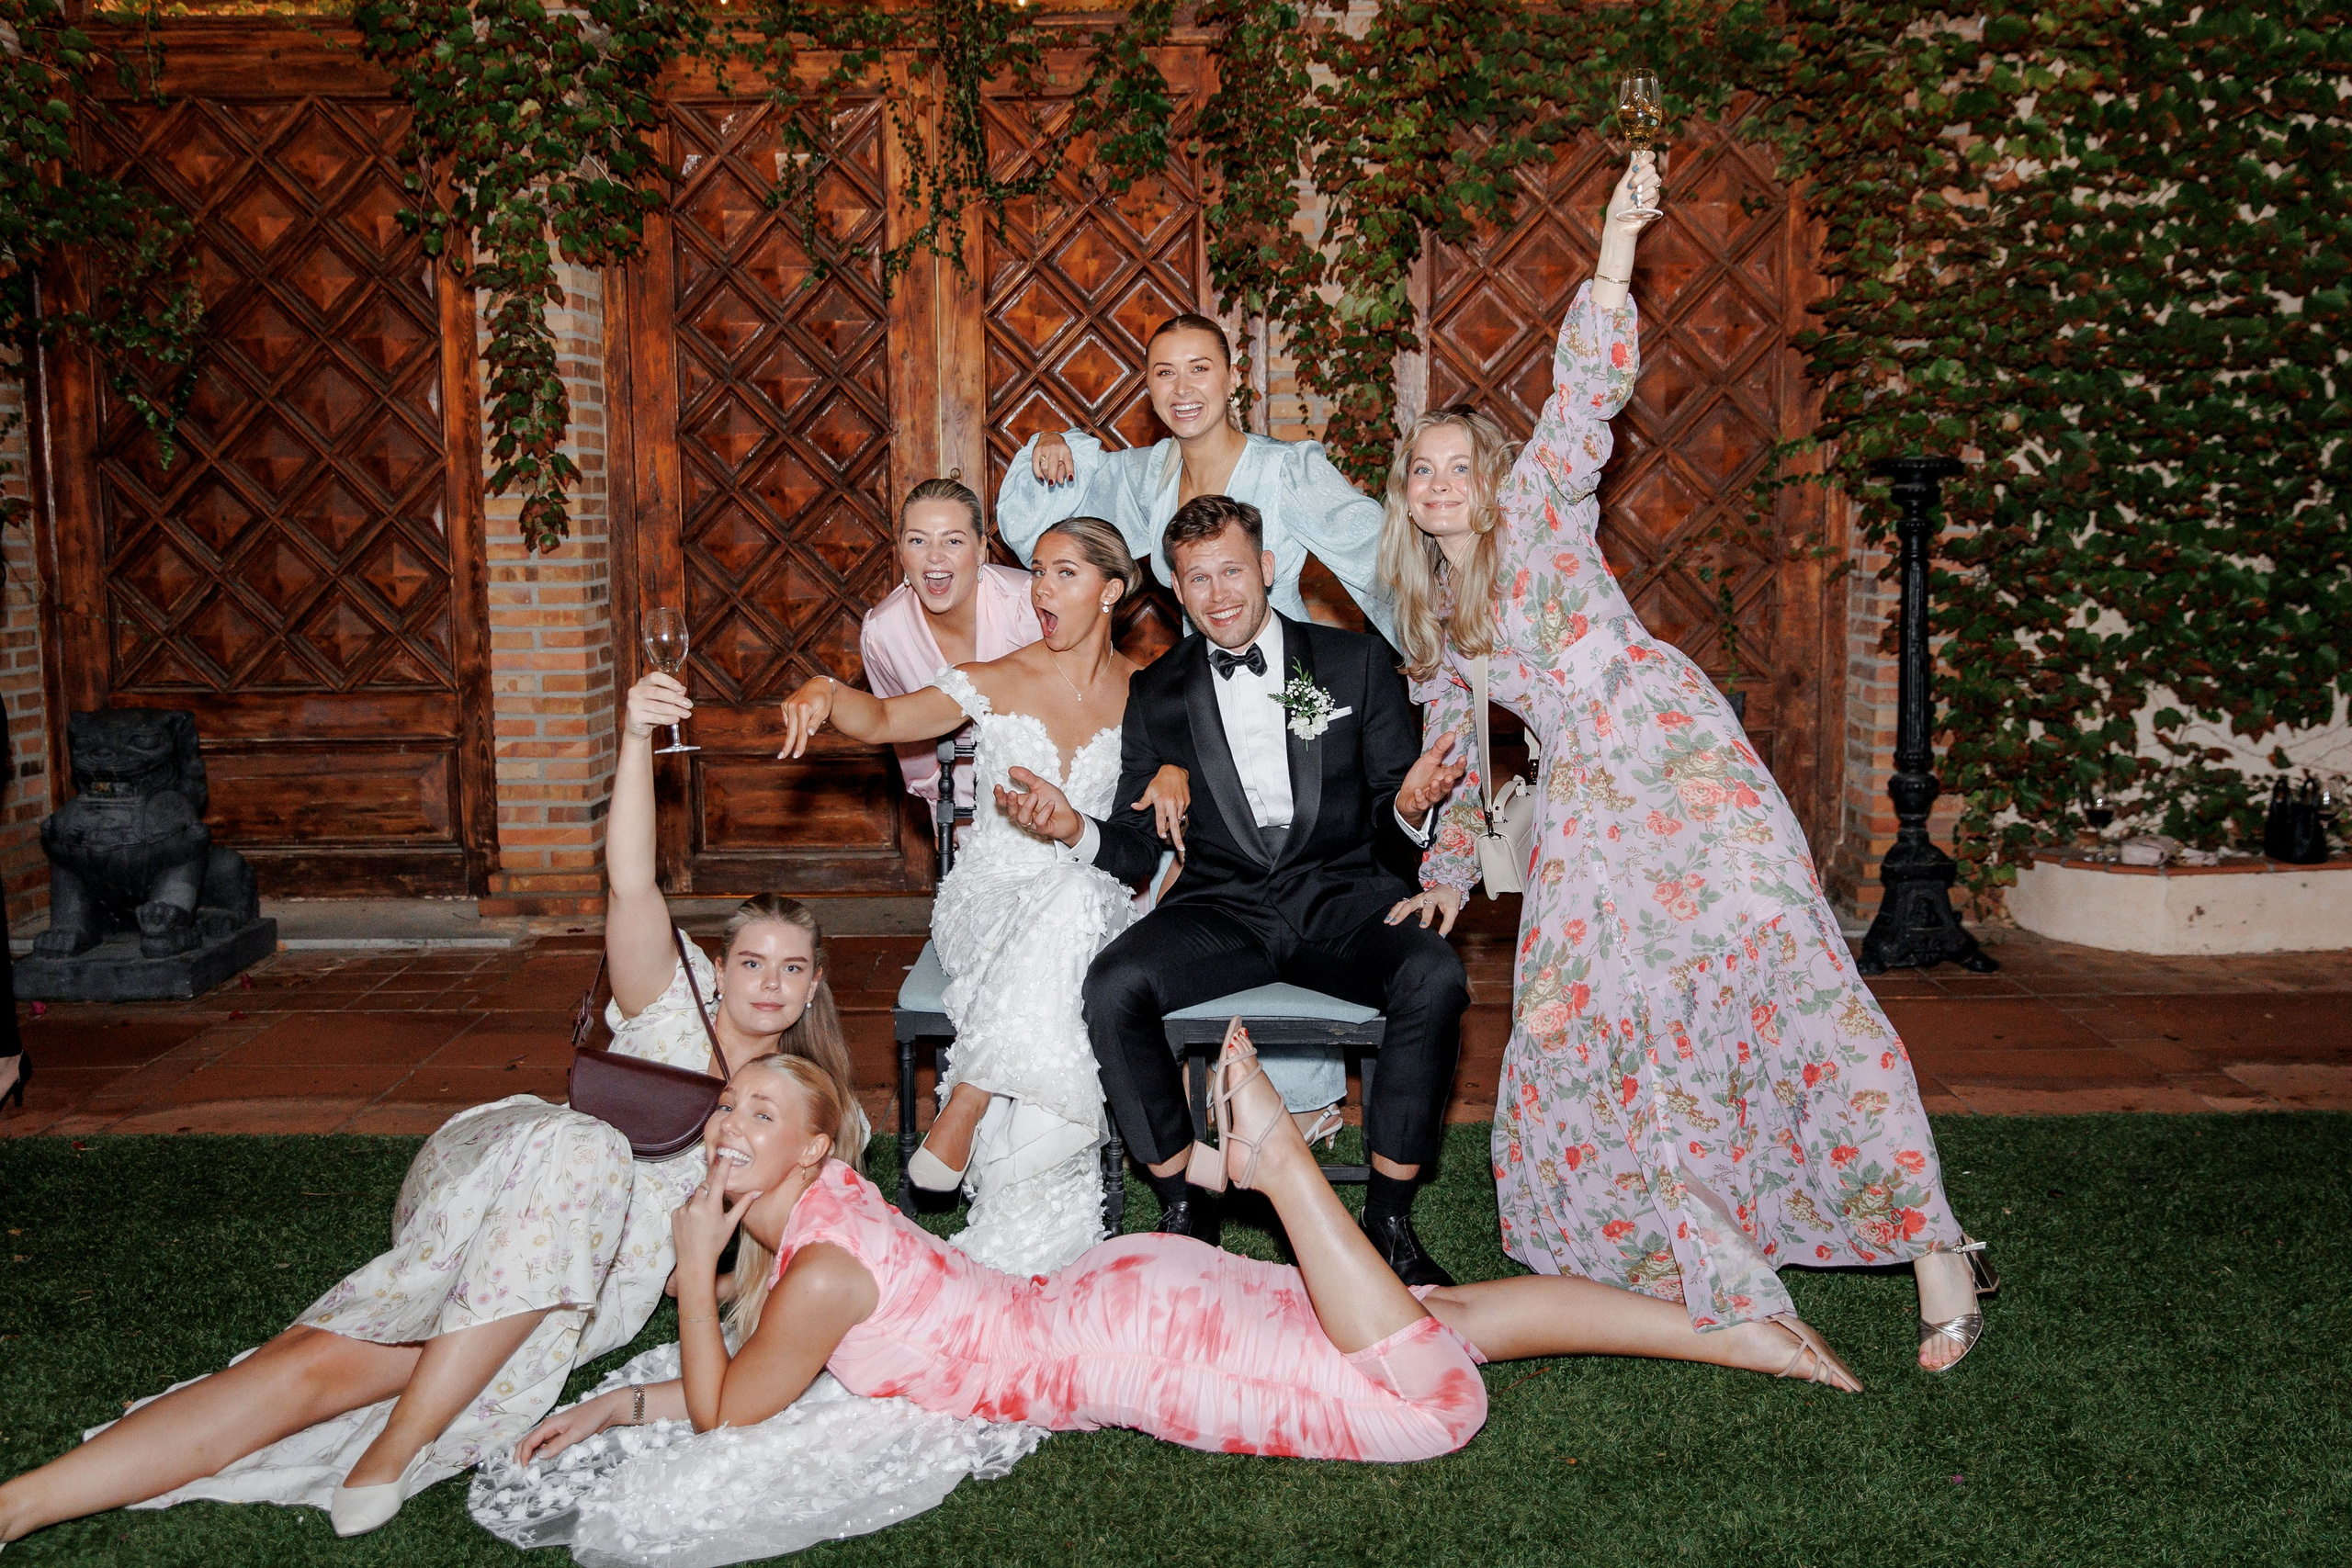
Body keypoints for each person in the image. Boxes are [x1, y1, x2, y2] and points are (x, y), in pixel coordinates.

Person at [0, 677, 866, 1550]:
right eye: (753, 961)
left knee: (306, 1371)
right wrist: (636, 736)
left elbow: (790, 1259)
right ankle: (396, 1449)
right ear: (719, 965)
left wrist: (696, 1276)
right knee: (591, 1148)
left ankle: (18, 1503)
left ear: (815, 985)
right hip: (503, 1185)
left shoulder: (803, 1112)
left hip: (579, 1289)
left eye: (792, 969)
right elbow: (631, 876)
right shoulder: (667, 1001)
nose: (769, 983)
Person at [1384, 154, 1998, 1371]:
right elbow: (1452, 766)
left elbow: (1584, 393)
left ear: (1494, 480)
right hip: (1587, 821)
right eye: (1423, 466)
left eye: (1461, 462)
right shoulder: (1436, 628)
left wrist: (1616, 244)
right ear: (1407, 496)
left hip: (1681, 767)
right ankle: (1678, 1259)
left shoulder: (1548, 513)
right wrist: (1447, 863)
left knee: (1792, 987)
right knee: (1595, 1031)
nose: (1442, 480)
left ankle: (1932, 1241)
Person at [499, 1026, 1858, 1540]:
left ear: (814, 1148)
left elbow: (733, 1410)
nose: (726, 1128)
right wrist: (624, 1410)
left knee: (1438, 1403)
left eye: (753, 1113)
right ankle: (1741, 1336)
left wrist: (691, 1265)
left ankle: (1277, 1166)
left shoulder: (826, 1262)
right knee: (1437, 1325)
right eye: (724, 1107)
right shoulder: (832, 1219)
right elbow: (730, 1383)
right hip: (1127, 1289)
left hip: (1139, 1342)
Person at [995, 494, 1471, 1285]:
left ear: (1268, 570)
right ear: (1176, 591)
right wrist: (1067, 824)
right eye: (1197, 579)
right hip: (1223, 908)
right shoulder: (1159, 691)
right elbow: (1137, 848)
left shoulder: (1353, 663)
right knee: (1114, 986)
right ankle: (1186, 1199)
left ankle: (1388, 1221)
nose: (1218, 595)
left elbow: (1393, 821)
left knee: (1434, 975)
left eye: (1232, 572)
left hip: (1342, 898)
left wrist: (1411, 805)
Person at [777, 518, 1182, 1272]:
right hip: (990, 897)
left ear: (1111, 592)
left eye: (1064, 573)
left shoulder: (1150, 694)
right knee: (1068, 905)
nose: (1041, 589)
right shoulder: (997, 675)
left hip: (1089, 896)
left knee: (1073, 895)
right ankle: (977, 1113)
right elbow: (891, 717)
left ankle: (975, 1103)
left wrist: (1175, 770)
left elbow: (1183, 783)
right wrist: (829, 692)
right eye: (1037, 571)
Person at [998, 313, 1398, 644]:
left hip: (1290, 684)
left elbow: (1382, 558)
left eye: (1200, 369)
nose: (1182, 389)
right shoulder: (1150, 476)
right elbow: (1047, 527)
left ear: (1231, 379)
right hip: (1203, 689)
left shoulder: (1286, 470)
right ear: (1150, 388)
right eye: (1165, 373)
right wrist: (1049, 443)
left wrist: (1437, 653)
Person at [859, 474, 1042, 815]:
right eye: (918, 541)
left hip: (1047, 794)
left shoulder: (1029, 605)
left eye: (953, 541)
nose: (934, 558)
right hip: (956, 807)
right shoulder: (882, 633)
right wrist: (950, 816)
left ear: (981, 548)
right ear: (900, 551)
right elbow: (913, 747)